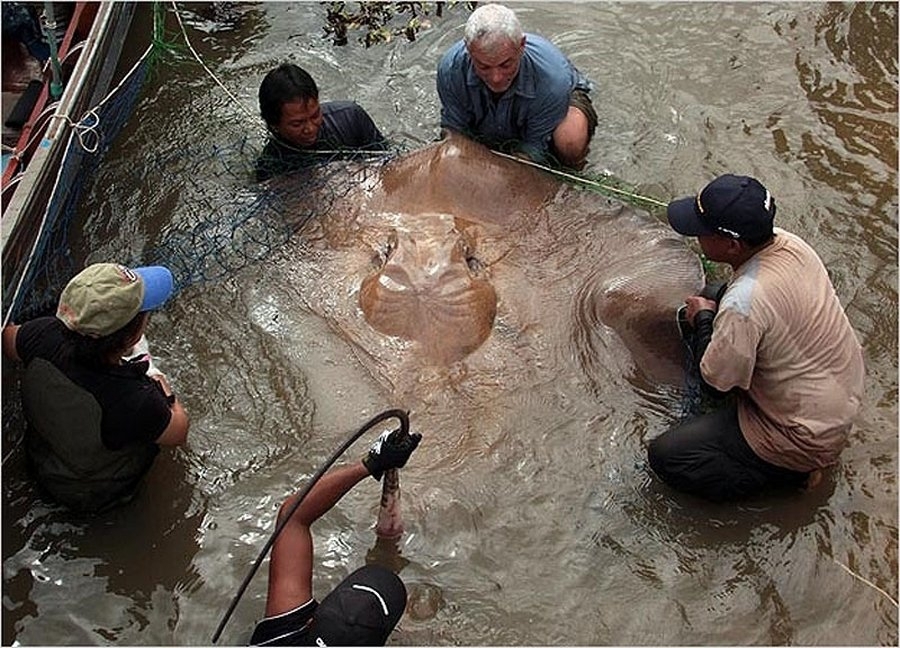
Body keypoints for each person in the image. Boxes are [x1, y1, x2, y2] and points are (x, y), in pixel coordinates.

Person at [647, 174, 865, 502]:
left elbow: (716, 385)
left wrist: (704, 318)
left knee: (668, 456)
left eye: (703, 231)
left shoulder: (743, 304)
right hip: (838, 399)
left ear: (733, 245)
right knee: (711, 293)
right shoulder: (791, 244)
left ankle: (790, 476)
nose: (696, 237)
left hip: (801, 435)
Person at [1, 262, 189, 512]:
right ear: (132, 338)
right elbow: (178, 432)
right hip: (98, 497)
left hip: (42, 464)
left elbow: (7, 341)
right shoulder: (136, 398)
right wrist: (163, 389)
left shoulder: (42, 335)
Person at [250, 426, 422, 646]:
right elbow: (292, 519)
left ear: (310, 622)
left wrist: (372, 464)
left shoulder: (279, 637)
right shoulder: (281, 638)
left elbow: (292, 518)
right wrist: (370, 463)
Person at [436, 3, 598, 170]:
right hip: (503, 114)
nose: (496, 78)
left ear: (522, 46)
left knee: (570, 139)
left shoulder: (553, 80)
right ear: (468, 49)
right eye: (484, 66)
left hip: (555, 100)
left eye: (505, 65)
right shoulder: (450, 70)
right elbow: (454, 131)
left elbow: (534, 149)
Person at [256, 62, 388, 182]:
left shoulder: (351, 118)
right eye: (297, 124)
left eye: (315, 115)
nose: (310, 129)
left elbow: (389, 166)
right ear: (274, 126)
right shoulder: (271, 167)